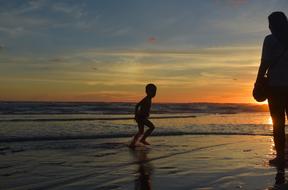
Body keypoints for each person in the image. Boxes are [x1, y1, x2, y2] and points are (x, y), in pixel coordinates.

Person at [256, 11, 288, 165]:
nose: (269, 27)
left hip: (275, 87)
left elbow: (264, 64)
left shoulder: (269, 40)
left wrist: (258, 82)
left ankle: (281, 157)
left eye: (270, 24)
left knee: (278, 123)